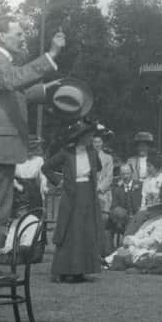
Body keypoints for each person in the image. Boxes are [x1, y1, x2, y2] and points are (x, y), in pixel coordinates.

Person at [0, 15, 64, 281]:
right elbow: (13, 82)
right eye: (18, 33)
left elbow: (12, 93)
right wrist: (51, 55)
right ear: (1, 36)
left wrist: (44, 90)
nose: (23, 37)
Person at [42, 119, 104, 283]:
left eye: (92, 135)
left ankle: (81, 270)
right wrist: (59, 181)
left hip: (88, 194)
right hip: (72, 195)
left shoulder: (92, 152)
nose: (91, 138)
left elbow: (98, 167)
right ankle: (63, 270)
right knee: (71, 231)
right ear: (81, 136)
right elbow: (46, 167)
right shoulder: (67, 152)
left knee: (86, 231)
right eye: (89, 135)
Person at [105, 197, 162, 271]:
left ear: (160, 210)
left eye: (153, 209)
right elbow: (138, 234)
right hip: (139, 247)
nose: (150, 211)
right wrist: (130, 238)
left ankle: (110, 263)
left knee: (133, 250)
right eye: (150, 209)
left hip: (149, 249)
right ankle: (107, 262)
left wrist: (135, 242)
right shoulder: (148, 222)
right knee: (125, 248)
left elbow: (154, 241)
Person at [106, 164, 143, 241]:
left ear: (132, 173)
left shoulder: (140, 185)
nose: (125, 176)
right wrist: (123, 215)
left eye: (128, 173)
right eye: (123, 174)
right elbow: (114, 206)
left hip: (139, 216)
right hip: (124, 219)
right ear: (120, 175)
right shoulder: (117, 189)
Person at [92, 128, 114, 256]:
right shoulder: (88, 156)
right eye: (95, 142)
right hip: (89, 191)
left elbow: (109, 176)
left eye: (99, 142)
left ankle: (103, 249)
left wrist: (99, 188)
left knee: (103, 220)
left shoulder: (108, 158)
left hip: (103, 193)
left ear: (102, 143)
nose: (97, 144)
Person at [13, 136, 48, 213]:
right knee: (20, 213)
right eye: (28, 149)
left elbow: (43, 175)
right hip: (19, 189)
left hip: (33, 189)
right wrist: (16, 185)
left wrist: (44, 186)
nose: (30, 152)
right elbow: (10, 176)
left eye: (32, 149)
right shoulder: (17, 159)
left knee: (35, 212)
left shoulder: (39, 160)